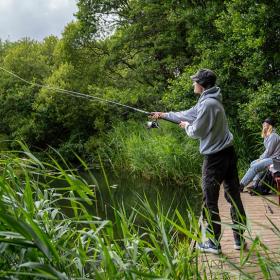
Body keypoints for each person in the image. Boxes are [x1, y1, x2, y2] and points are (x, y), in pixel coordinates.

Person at [151, 69, 247, 254]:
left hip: (215, 159)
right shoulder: (210, 100)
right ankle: (239, 240)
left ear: (202, 85)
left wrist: (187, 127)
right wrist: (164, 115)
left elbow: (196, 132)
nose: (193, 84)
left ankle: (213, 243)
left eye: (195, 81)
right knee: (233, 197)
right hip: (228, 154)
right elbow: (188, 113)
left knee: (209, 200)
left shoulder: (208, 104)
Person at [240, 118, 280, 192]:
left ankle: (241, 185)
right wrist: (260, 158)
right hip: (272, 159)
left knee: (255, 166)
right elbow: (268, 151)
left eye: (266, 123)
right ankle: (255, 184)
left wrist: (261, 159)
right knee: (253, 163)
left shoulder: (273, 136)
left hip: (276, 160)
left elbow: (268, 152)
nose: (263, 124)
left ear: (270, 126)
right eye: (263, 123)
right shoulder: (269, 135)